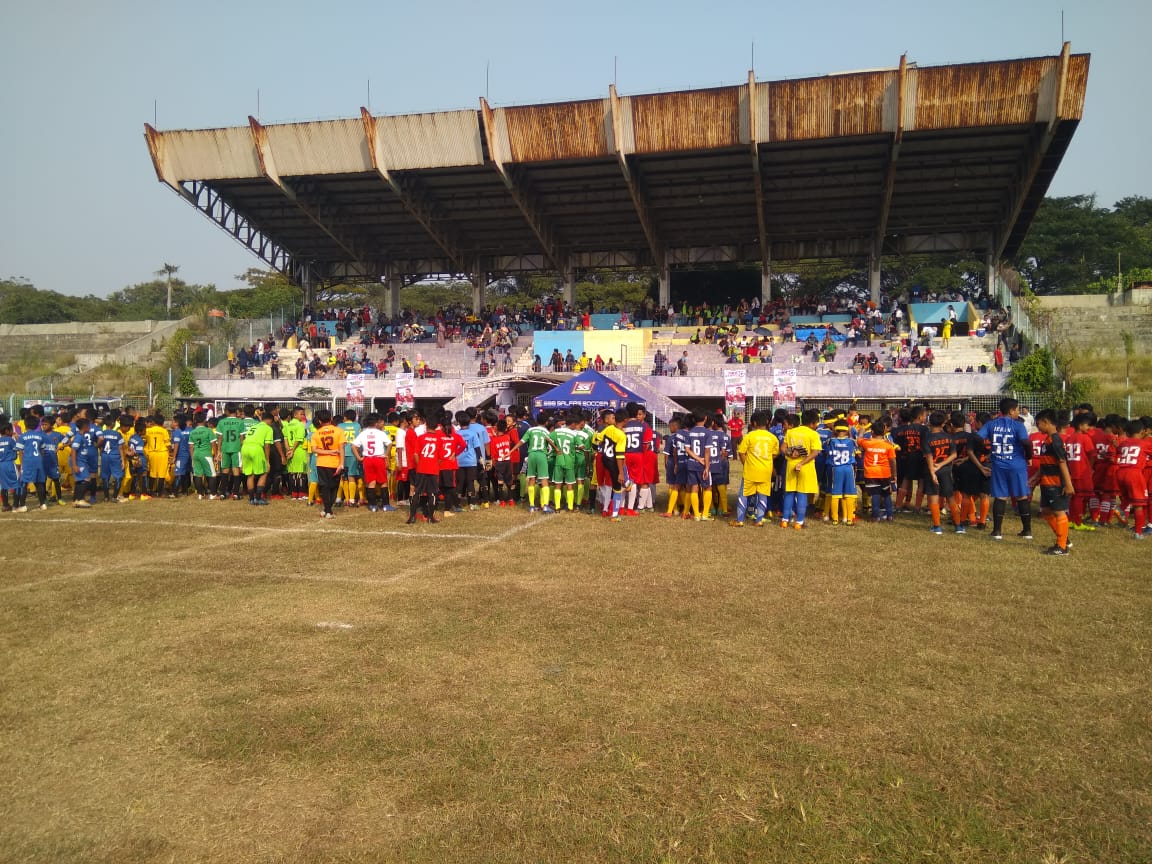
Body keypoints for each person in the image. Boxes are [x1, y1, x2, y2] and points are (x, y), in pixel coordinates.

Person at [977, 397, 1034, 541]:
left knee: (1000, 496)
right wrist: (1029, 455)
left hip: (999, 464)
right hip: (1017, 464)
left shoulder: (991, 424)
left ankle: (997, 531)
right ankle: (1027, 531)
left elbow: (977, 438)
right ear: (1011, 411)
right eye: (1017, 409)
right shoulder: (1018, 425)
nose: (1018, 412)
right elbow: (1026, 442)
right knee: (1021, 496)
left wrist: (988, 451)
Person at [1030, 409, 1075, 555]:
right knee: (1046, 511)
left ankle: (1061, 547)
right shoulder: (1047, 440)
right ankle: (1064, 539)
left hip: (1055, 483)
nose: (1037, 427)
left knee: (1058, 512)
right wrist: (1035, 477)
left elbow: (1062, 462)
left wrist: (1068, 484)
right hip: (1046, 482)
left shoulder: (1055, 441)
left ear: (1046, 422)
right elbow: (1045, 463)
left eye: (1038, 424)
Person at [732, 410, 779, 527]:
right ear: (767, 422)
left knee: (744, 494)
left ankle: (739, 520)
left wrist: (745, 463)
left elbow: (741, 452)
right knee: (762, 495)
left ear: (753, 423)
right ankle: (758, 520)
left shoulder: (749, 436)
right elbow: (775, 454)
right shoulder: (773, 438)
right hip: (765, 471)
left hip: (751, 470)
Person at [781, 409, 823, 529]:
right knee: (802, 494)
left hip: (790, 466)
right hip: (806, 466)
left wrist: (790, 453)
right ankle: (799, 522)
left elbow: (783, 448)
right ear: (812, 423)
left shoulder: (791, 432)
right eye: (816, 424)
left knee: (789, 492)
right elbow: (815, 452)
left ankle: (785, 520)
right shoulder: (813, 434)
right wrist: (802, 463)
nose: (816, 426)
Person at [922, 410, 961, 535]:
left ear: (930, 422)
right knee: (950, 497)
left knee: (933, 497)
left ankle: (937, 526)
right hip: (945, 470)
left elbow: (928, 457)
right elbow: (954, 455)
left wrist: (933, 472)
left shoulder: (927, 438)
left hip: (931, 470)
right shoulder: (949, 437)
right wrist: (942, 464)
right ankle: (958, 526)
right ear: (944, 423)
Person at [352, 413, 394, 512]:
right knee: (383, 482)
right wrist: (386, 455)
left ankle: (373, 505)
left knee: (371, 482)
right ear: (376, 423)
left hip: (368, 459)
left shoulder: (363, 433)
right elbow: (389, 443)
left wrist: (359, 457)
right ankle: (385, 505)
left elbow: (353, 446)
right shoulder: (380, 433)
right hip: (379, 459)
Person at [1115, 419, 1150, 539]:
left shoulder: (1124, 443)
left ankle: (1120, 507)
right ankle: (1138, 533)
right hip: (1134, 473)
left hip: (1120, 472)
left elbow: (1119, 450)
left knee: (1128, 497)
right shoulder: (1145, 443)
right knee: (1139, 504)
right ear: (1142, 432)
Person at [858, 420, 898, 522]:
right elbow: (893, 461)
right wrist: (894, 474)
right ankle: (890, 515)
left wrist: (862, 430)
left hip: (871, 474)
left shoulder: (867, 443)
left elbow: (858, 439)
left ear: (872, 432)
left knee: (875, 494)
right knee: (886, 494)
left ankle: (875, 516)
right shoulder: (888, 445)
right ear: (884, 432)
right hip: (885, 473)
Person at [309, 409, 346, 519]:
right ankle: (329, 510)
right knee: (334, 487)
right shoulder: (338, 431)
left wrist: (327, 452)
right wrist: (342, 463)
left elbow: (315, 450)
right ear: (331, 418)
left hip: (321, 463)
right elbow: (342, 448)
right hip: (335, 463)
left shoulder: (316, 433)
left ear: (319, 421)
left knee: (325, 487)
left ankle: (326, 510)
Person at [824, 421, 860, 526]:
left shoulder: (830, 441)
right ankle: (849, 519)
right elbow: (858, 453)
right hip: (848, 468)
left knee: (835, 494)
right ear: (846, 430)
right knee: (849, 493)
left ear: (835, 429)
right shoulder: (852, 441)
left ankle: (835, 519)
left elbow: (825, 451)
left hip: (836, 468)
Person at [240, 409, 275, 505]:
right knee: (264, 472)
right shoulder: (268, 428)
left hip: (245, 448)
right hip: (256, 448)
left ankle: (251, 499)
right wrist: (267, 461)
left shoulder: (254, 426)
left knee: (250, 474)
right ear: (269, 420)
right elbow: (267, 445)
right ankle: (258, 498)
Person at [188, 411, 219, 499]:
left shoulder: (193, 432)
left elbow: (191, 446)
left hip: (196, 454)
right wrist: (216, 454)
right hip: (205, 454)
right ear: (204, 420)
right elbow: (213, 444)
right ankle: (213, 494)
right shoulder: (208, 430)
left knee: (198, 475)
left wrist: (192, 458)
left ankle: (200, 494)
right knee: (212, 474)